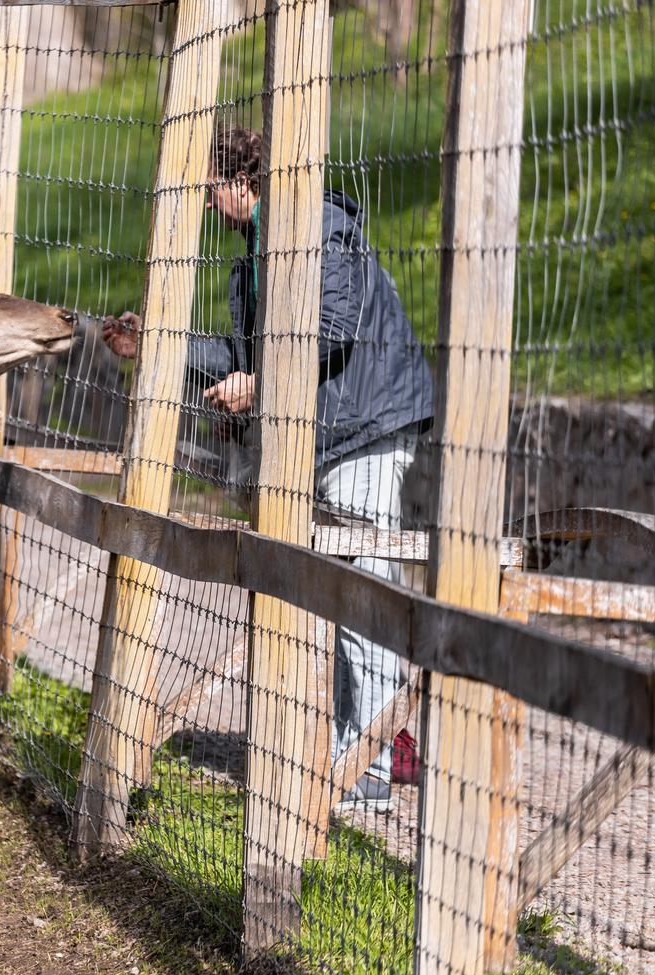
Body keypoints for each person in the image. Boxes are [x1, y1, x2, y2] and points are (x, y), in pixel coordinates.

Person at [102, 123, 434, 812]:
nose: (204, 204)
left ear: (238, 180)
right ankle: (363, 752)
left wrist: (260, 386)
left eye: (207, 190)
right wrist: (159, 342)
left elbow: (332, 329)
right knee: (342, 593)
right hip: (332, 434)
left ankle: (368, 768)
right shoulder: (253, 254)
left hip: (367, 424)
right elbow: (242, 354)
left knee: (364, 594)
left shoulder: (315, 225)